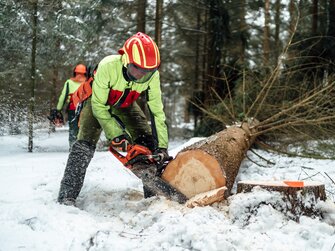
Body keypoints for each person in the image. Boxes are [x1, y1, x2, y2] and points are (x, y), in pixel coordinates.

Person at [57, 32, 170, 206]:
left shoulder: (152, 75)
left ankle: (153, 195)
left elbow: (157, 112)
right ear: (125, 60)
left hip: (125, 104)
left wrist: (162, 146)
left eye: (147, 72)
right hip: (98, 102)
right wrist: (115, 134)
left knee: (148, 142)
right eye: (136, 69)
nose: (141, 75)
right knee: (84, 145)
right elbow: (99, 106)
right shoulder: (107, 66)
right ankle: (67, 195)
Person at [49, 64, 87, 148]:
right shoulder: (88, 82)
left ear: (75, 72)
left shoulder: (69, 82)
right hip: (85, 109)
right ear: (85, 73)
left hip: (73, 109)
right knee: (84, 129)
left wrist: (59, 109)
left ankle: (73, 148)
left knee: (73, 129)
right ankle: (83, 148)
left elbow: (63, 96)